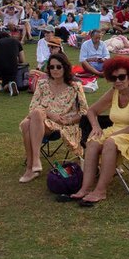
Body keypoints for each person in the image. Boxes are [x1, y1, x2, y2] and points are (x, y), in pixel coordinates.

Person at [68, 57, 129, 206]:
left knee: (109, 142)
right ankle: (85, 188)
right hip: (118, 130)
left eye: (122, 77)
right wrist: (96, 128)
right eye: (114, 78)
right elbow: (91, 111)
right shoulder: (114, 91)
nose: (118, 81)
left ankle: (100, 191)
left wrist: (111, 136)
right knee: (93, 142)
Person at [18, 51, 88, 182]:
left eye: (58, 66)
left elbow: (84, 112)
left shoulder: (75, 87)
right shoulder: (42, 84)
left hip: (62, 124)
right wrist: (50, 114)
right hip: (40, 120)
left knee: (28, 122)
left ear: (65, 67)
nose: (55, 70)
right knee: (34, 116)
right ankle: (34, 164)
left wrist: (69, 120)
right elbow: (32, 107)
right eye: (51, 67)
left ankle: (31, 166)